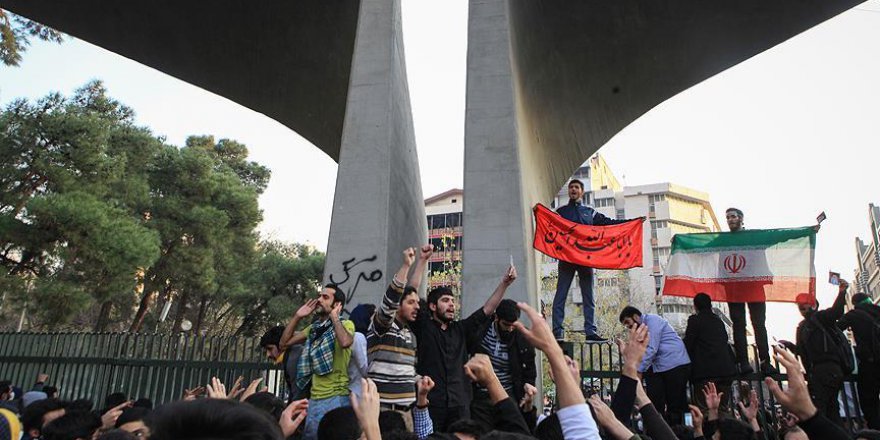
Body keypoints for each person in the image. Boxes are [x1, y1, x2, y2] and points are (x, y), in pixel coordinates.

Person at [411, 249, 517, 432]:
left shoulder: (461, 329)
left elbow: (488, 309)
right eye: (445, 300)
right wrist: (421, 261)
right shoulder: (424, 327)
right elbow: (411, 294)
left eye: (453, 300)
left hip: (460, 405)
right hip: (432, 403)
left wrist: (504, 284)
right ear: (432, 306)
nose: (451, 304)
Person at [553, 179, 636, 342]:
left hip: (585, 258)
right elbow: (548, 223)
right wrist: (538, 211)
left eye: (576, 187)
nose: (573, 190)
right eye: (571, 187)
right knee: (560, 294)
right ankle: (557, 331)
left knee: (588, 296)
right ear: (569, 192)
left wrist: (631, 223)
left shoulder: (589, 212)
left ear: (582, 192)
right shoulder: (560, 212)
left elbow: (609, 224)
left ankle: (590, 332)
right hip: (567, 258)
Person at [278, 284, 356, 440]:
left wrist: (334, 318)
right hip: (314, 399)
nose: (319, 300)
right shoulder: (314, 329)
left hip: (336, 397)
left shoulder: (346, 325)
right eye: (319, 296)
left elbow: (345, 342)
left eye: (325, 297)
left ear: (337, 304)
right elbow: (283, 344)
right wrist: (298, 316)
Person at [366, 248, 424, 426]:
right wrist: (407, 265)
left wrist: (419, 380)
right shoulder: (382, 327)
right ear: (398, 306)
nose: (417, 307)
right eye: (411, 303)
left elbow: (404, 371)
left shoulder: (410, 335)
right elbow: (391, 300)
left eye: (418, 303)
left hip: (406, 413)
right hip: (382, 411)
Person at [468, 298, 537, 432]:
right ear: (496, 318)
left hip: (507, 395)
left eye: (513, 325)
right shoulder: (481, 332)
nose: (510, 329)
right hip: (481, 395)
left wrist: (528, 384)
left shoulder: (522, 338)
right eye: (506, 324)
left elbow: (529, 368)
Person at [788, 279, 850, 425]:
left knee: (820, 411)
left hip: (826, 370)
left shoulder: (820, 318)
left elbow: (836, 312)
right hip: (817, 372)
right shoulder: (803, 326)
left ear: (813, 305)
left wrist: (841, 292)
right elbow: (803, 351)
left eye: (805, 303)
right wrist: (790, 346)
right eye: (799, 305)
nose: (801, 306)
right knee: (830, 410)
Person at [619, 306, 691, 425]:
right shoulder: (639, 331)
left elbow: (652, 349)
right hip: (659, 367)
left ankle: (682, 430)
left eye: (628, 322)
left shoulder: (653, 321)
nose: (628, 327)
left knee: (676, 404)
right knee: (657, 403)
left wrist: (638, 370)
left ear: (636, 317)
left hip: (675, 364)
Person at [724, 207, 774, 375]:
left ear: (741, 218)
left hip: (753, 284)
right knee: (738, 325)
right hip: (734, 286)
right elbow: (701, 245)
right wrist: (679, 240)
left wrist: (806, 232)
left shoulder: (754, 237)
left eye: (733, 216)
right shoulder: (723, 240)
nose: (730, 220)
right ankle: (744, 363)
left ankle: (765, 362)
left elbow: (778, 236)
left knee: (759, 324)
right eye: (728, 217)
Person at [683, 293, 737, 414]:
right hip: (725, 370)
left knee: (705, 409)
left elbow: (688, 344)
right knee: (722, 409)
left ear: (695, 306)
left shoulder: (694, 321)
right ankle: (724, 431)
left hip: (705, 373)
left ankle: (709, 432)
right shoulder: (718, 321)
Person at [838, 291, 880, 429]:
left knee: (869, 400)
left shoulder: (854, 315)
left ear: (855, 304)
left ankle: (875, 430)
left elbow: (836, 329)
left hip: (870, 363)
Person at [259, 325, 304, 402]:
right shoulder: (295, 354)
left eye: (270, 349)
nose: (268, 355)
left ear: (281, 345)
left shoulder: (293, 360)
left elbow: (298, 396)